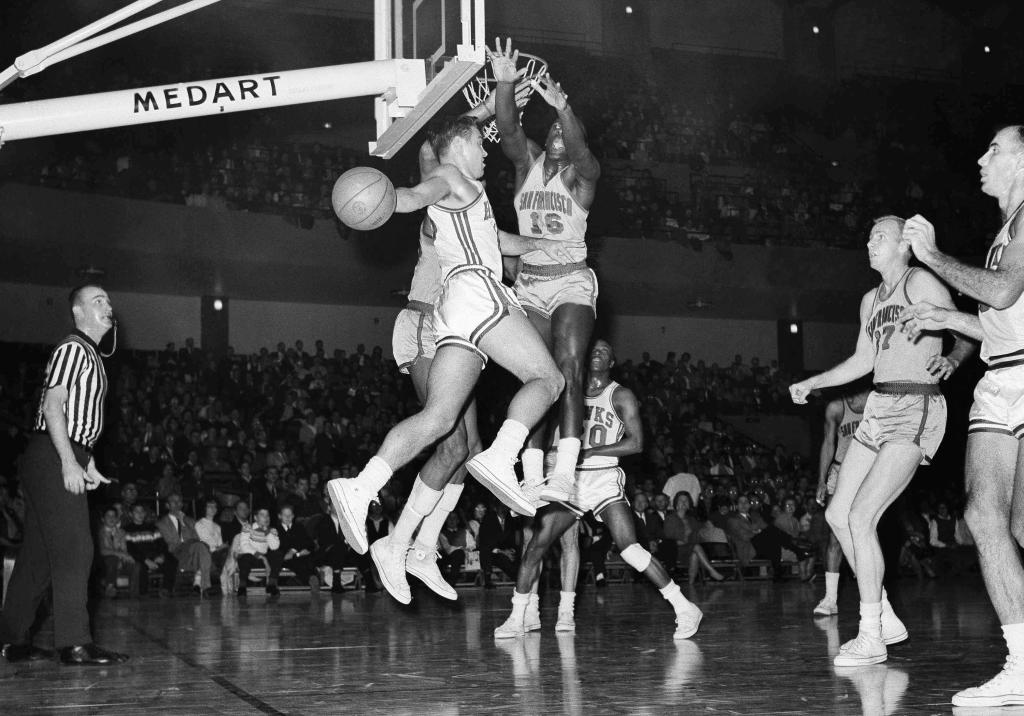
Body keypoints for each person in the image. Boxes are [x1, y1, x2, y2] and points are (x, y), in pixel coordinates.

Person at [327, 115, 567, 558]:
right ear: (457, 145)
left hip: (454, 310)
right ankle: (501, 456)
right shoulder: (449, 175)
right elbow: (417, 193)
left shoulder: (469, 194)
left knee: (439, 419)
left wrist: (541, 246)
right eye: (479, 142)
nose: (485, 150)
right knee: (548, 380)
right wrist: (386, 199)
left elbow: (495, 239)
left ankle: (359, 487)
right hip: (477, 291)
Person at [789, 215, 974, 667]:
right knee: (837, 514)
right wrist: (815, 381)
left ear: (903, 245)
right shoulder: (871, 299)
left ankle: (871, 635)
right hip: (878, 407)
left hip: (917, 406)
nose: (870, 241)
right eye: (868, 234)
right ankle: (885, 613)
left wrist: (951, 358)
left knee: (862, 514)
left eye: (880, 236)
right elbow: (863, 359)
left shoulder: (922, 282)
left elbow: (967, 327)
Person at [896, 125, 1024, 707]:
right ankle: (1021, 663)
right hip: (999, 377)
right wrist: (945, 318)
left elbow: (999, 294)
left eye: (994, 148)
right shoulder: (1003, 231)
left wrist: (932, 257)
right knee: (984, 517)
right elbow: (997, 321)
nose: (981, 156)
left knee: (1013, 525)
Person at [493, 340, 703, 640]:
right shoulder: (566, 393)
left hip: (603, 478)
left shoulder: (621, 395)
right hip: (570, 480)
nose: (597, 352)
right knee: (537, 544)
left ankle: (684, 607)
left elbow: (637, 443)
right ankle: (517, 616)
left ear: (613, 362)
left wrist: (588, 452)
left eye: (604, 350)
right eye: (593, 349)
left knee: (629, 548)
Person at [491, 38, 601, 505]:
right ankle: (533, 474)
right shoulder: (528, 165)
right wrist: (504, 82)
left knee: (569, 368)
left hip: (572, 280)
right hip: (530, 282)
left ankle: (566, 472)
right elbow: (508, 127)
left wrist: (565, 108)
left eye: (564, 130)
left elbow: (582, 156)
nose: (557, 133)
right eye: (552, 128)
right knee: (538, 378)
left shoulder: (582, 176)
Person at [0, 284, 128, 666]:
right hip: (53, 454)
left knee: (38, 557)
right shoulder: (74, 348)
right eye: (98, 300)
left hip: (57, 452)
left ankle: (11, 638)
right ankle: (73, 642)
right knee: (76, 547)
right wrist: (68, 461)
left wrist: (85, 461)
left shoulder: (90, 354)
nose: (108, 305)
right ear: (78, 312)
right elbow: (53, 406)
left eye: (108, 298)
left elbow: (76, 419)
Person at [813, 389, 868, 616]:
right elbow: (828, 443)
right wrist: (821, 480)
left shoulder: (875, 401)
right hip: (840, 469)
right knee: (835, 533)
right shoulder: (836, 407)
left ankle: (873, 597)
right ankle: (830, 599)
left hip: (867, 471)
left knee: (866, 533)